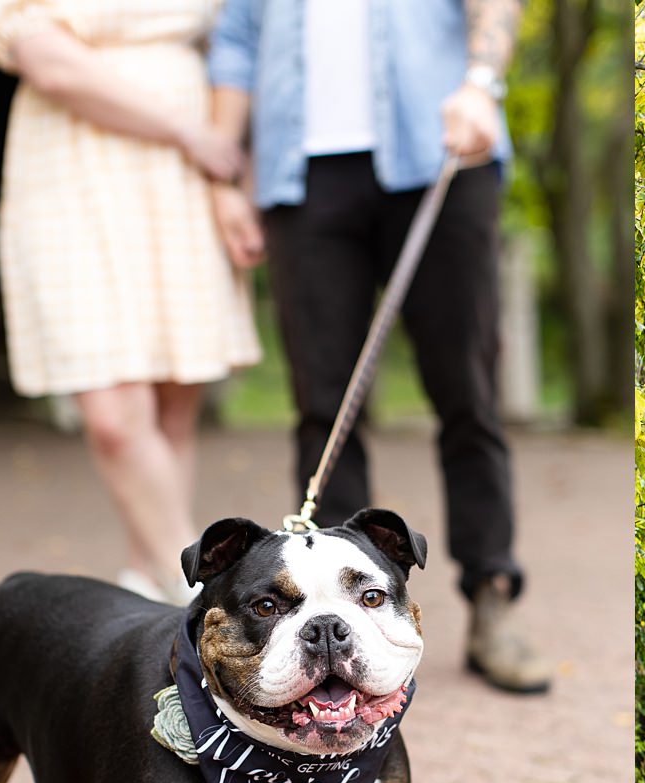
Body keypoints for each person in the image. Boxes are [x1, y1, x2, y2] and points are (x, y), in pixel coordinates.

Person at [205, 0, 551, 694]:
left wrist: (482, 82)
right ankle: (336, 627)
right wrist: (222, 179)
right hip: (300, 176)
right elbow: (236, 44)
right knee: (323, 406)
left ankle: (491, 600)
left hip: (443, 157)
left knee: (468, 393)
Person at [0, 0, 260, 605]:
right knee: (113, 415)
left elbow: (240, 40)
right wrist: (185, 130)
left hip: (187, 170)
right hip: (76, 161)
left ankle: (142, 581)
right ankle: (201, 599)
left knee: (174, 399)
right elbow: (49, 63)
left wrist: (231, 175)